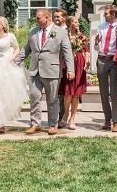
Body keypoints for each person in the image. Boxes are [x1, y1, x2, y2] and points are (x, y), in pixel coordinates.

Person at [16, 8, 74, 136]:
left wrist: (70, 69)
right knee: (35, 97)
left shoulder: (60, 32)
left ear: (47, 18)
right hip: (35, 70)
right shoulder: (33, 31)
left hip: (52, 70)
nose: (36, 20)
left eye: (38, 18)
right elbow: (27, 48)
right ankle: (35, 123)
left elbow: (67, 51)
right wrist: (15, 61)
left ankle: (53, 124)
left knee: (52, 99)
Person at [94, 4, 117, 132]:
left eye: (106, 13)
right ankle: (107, 118)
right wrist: (96, 42)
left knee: (113, 91)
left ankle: (115, 121)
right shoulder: (101, 27)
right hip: (101, 59)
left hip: (113, 61)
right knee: (103, 91)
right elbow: (96, 47)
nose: (104, 15)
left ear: (113, 15)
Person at [60, 16, 89, 130]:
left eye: (77, 22)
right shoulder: (64, 35)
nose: (77, 24)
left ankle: (73, 118)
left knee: (76, 93)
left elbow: (86, 50)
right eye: (75, 22)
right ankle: (66, 114)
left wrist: (87, 61)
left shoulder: (81, 36)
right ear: (69, 24)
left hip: (79, 63)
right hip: (67, 63)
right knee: (68, 92)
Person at [53, 7, 68, 126]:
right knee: (57, 92)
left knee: (64, 92)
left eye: (58, 16)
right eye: (55, 17)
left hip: (66, 64)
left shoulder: (69, 30)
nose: (56, 18)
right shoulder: (52, 30)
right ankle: (56, 117)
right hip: (54, 64)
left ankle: (63, 117)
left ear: (64, 18)